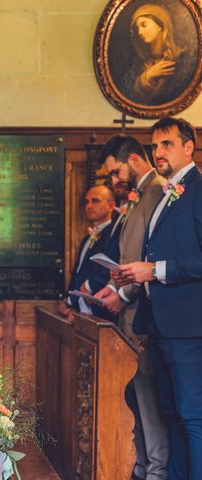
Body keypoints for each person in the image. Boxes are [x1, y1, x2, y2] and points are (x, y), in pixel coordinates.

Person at [119, 117, 202, 480]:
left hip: (188, 326)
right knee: (170, 414)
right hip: (159, 323)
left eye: (167, 144)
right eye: (154, 146)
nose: (158, 152)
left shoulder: (198, 190)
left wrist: (153, 271)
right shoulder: (165, 194)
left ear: (189, 147)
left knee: (191, 416)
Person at [93, 135, 169, 480]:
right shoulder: (137, 196)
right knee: (136, 396)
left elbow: (147, 258)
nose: (115, 180)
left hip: (144, 314)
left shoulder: (155, 191)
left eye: (117, 172)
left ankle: (156, 468)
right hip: (129, 313)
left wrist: (121, 295)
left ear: (135, 160)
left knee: (149, 399)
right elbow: (127, 258)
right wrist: (112, 287)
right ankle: (142, 464)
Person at [59, 185, 118, 321]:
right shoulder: (87, 238)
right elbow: (78, 273)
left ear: (111, 206)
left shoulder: (113, 235)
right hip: (79, 307)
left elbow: (106, 271)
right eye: (86, 201)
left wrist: (70, 302)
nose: (89, 206)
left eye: (95, 201)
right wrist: (70, 302)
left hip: (100, 308)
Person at [127, 4, 187, 105]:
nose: (140, 32)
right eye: (137, 28)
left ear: (160, 25)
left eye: (144, 25)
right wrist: (148, 75)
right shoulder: (139, 62)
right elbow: (130, 95)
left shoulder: (180, 58)